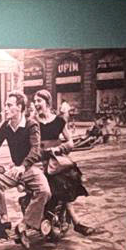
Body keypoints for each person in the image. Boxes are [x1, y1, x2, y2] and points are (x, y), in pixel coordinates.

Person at [0, 91, 49, 246]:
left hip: (31, 167)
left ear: (20, 107)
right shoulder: (7, 126)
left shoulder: (31, 125)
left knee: (44, 191)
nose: (5, 108)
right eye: (6, 105)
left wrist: (23, 166)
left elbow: (35, 149)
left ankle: (25, 224)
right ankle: (4, 218)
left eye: (9, 105)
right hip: (16, 168)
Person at [31, 90, 102, 237]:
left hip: (56, 162)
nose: (36, 104)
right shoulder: (32, 122)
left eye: (39, 101)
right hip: (38, 161)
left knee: (64, 184)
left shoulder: (59, 121)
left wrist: (59, 148)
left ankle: (76, 222)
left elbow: (70, 142)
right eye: (35, 101)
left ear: (47, 102)